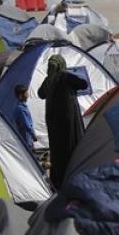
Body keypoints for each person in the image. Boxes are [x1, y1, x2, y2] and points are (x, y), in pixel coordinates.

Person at [37, 55, 88, 189]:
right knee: (70, 146)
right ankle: (72, 175)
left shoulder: (48, 80)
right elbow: (84, 84)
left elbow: (40, 94)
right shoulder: (66, 77)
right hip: (68, 120)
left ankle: (57, 180)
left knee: (57, 149)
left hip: (53, 120)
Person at [13, 84, 36, 152]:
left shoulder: (23, 107)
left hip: (28, 138)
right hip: (26, 138)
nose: (28, 95)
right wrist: (33, 134)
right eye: (26, 93)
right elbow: (26, 125)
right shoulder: (21, 109)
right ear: (20, 96)